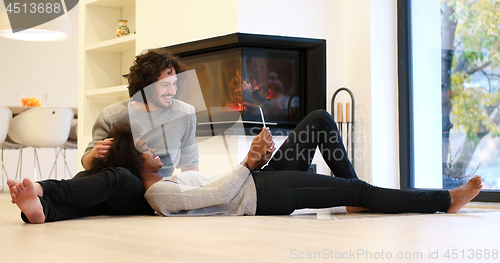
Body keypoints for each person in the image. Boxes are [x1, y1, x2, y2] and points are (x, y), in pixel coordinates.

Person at [10, 111, 482, 222]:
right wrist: (250, 161)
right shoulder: (158, 194)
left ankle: (352, 192)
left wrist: (255, 159)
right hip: (260, 196)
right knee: (357, 194)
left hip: (256, 179)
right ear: (138, 161)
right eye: (150, 151)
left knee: (317, 120)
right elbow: (215, 196)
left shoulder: (161, 181)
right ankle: (442, 200)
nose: (158, 152)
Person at [83, 48, 199, 176]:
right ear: (146, 85)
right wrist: (94, 154)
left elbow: (190, 165)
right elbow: (88, 164)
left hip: (160, 188)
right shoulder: (111, 116)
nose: (173, 91)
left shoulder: (185, 113)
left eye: (174, 83)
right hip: (121, 186)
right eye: (165, 85)